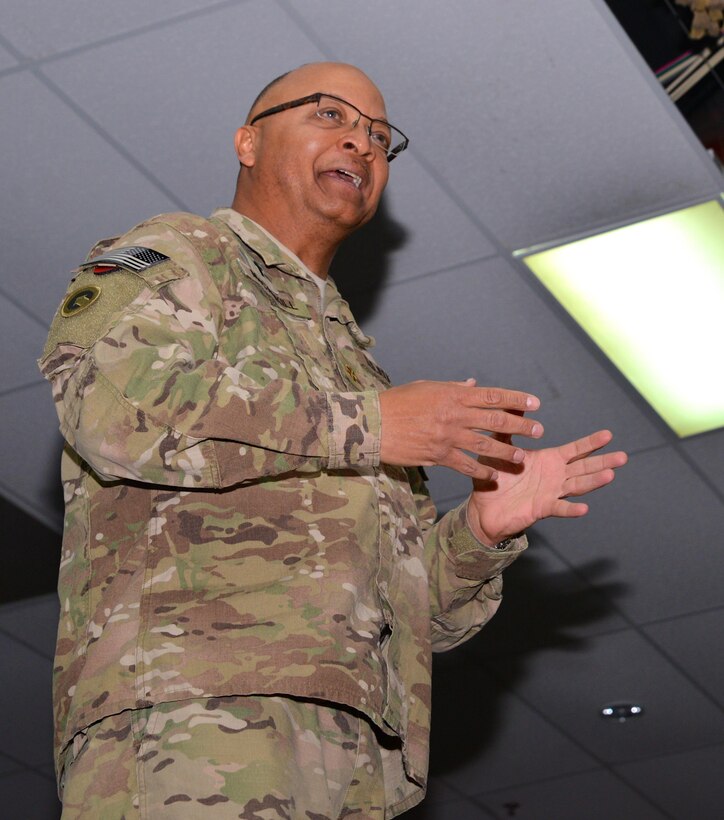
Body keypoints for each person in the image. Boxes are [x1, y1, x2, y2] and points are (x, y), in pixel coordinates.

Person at [39, 62, 627, 819]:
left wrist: (482, 532)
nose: (362, 141)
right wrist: (374, 425)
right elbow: (114, 414)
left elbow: (420, 613)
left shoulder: (355, 362)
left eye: (381, 136)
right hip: (190, 715)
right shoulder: (176, 252)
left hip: (354, 760)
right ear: (248, 143)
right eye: (329, 116)